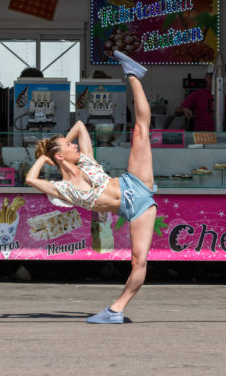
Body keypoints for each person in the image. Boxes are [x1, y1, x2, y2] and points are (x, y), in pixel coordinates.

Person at [26, 51, 157, 324]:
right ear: (60, 157)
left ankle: (133, 74)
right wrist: (45, 156)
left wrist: (58, 146)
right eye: (68, 145)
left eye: (72, 143)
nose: (74, 144)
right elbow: (30, 179)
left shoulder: (85, 159)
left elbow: (80, 125)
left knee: (141, 130)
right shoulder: (63, 188)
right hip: (136, 209)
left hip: (134, 182)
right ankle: (116, 310)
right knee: (138, 262)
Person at [175, 64, 226, 131]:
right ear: (206, 78)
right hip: (201, 137)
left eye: (214, 79)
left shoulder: (224, 95)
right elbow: (177, 112)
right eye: (210, 78)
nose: (212, 81)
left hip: (219, 135)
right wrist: (183, 109)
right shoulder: (196, 95)